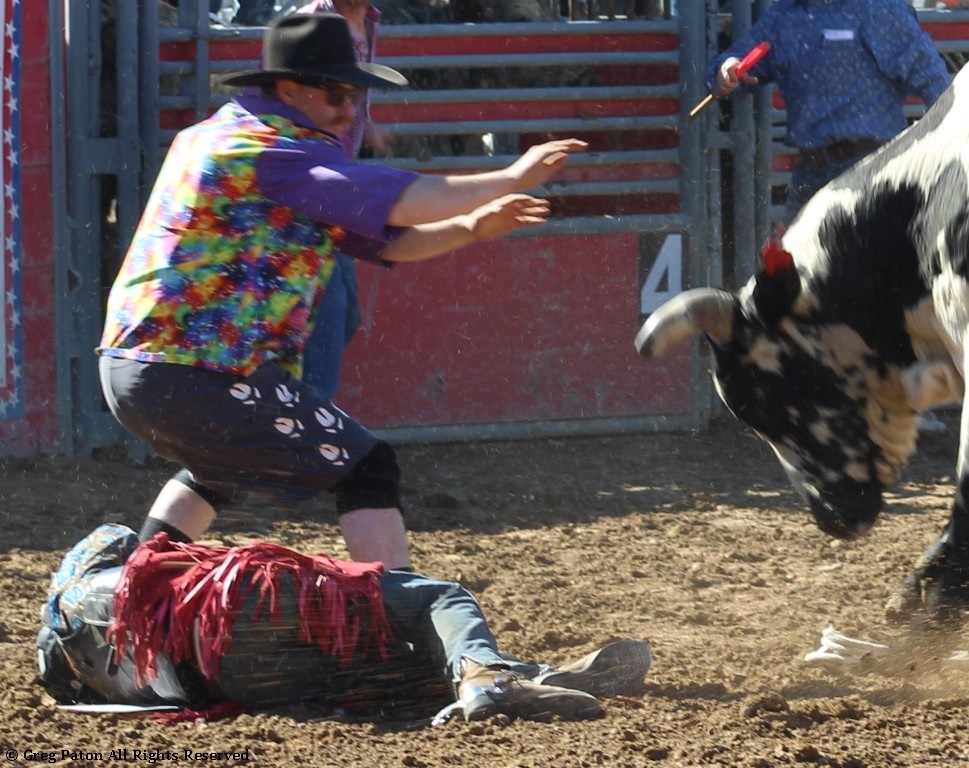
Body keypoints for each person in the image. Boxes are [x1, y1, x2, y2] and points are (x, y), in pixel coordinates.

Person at [96, 14, 588, 570]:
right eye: (335, 93)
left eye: (355, 96)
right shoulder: (267, 149)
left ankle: (134, 592)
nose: (349, 110)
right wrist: (510, 177)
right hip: (196, 370)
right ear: (288, 89)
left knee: (221, 471)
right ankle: (404, 616)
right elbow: (397, 199)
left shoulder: (221, 138)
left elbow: (392, 241)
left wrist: (473, 227)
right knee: (366, 466)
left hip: (145, 367)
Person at [36, 524, 653, 723]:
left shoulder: (96, 679)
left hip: (242, 687)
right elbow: (140, 541)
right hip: (242, 601)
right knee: (436, 597)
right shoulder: (92, 578)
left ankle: (530, 678)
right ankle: (488, 674)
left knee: (402, 674)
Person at [707, 0, 951, 226]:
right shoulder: (784, 15)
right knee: (803, 267)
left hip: (873, 169)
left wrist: (936, 161)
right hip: (813, 173)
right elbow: (734, 66)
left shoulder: (877, 7)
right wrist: (726, 69)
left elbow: (934, 82)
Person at [297, 0, 390, 400]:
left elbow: (348, 89)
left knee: (343, 314)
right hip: (308, 187)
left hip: (334, 184)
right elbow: (290, 96)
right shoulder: (311, 20)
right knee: (328, 316)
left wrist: (364, 124)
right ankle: (310, 431)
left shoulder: (368, 19)